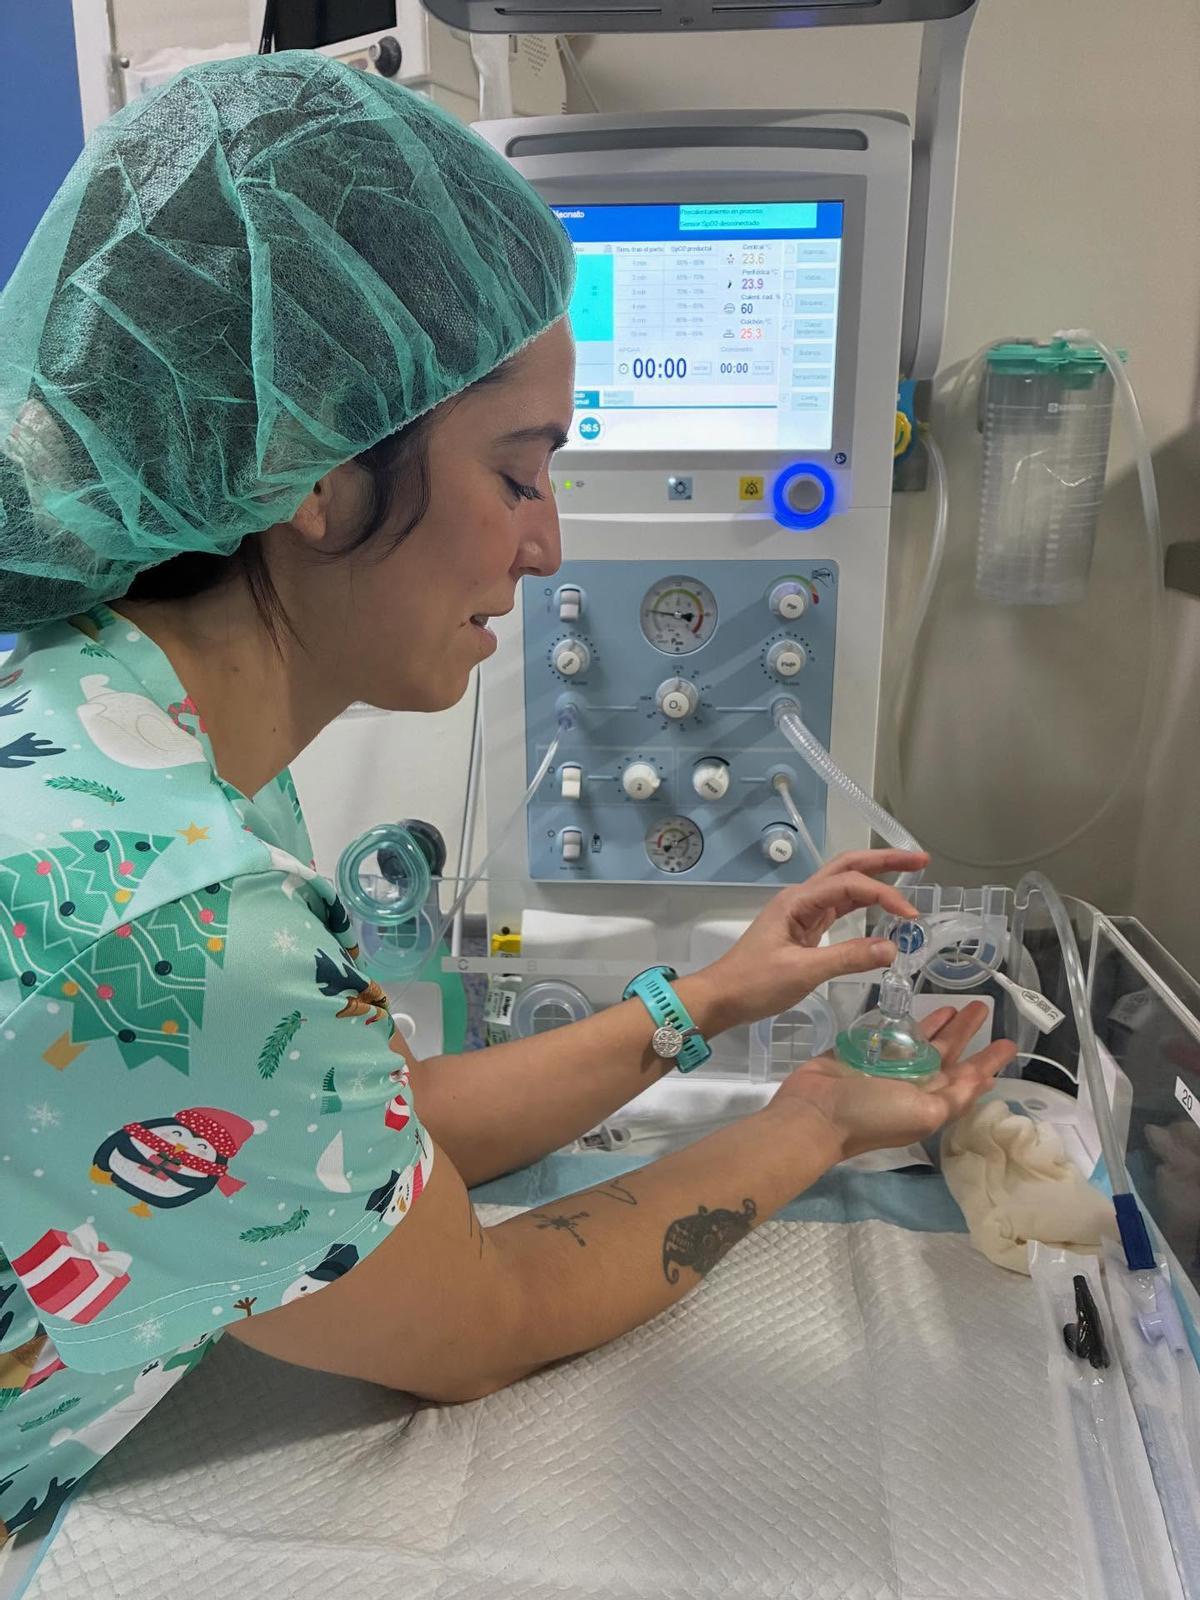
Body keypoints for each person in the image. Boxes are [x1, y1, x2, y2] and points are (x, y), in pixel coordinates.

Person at [0, 50, 1014, 1543]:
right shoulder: (183, 915)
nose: (547, 554)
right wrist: (806, 1121)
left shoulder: (106, 713)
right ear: (316, 474)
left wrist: (710, 1000)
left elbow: (359, 1124)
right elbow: (484, 1311)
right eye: (519, 472)